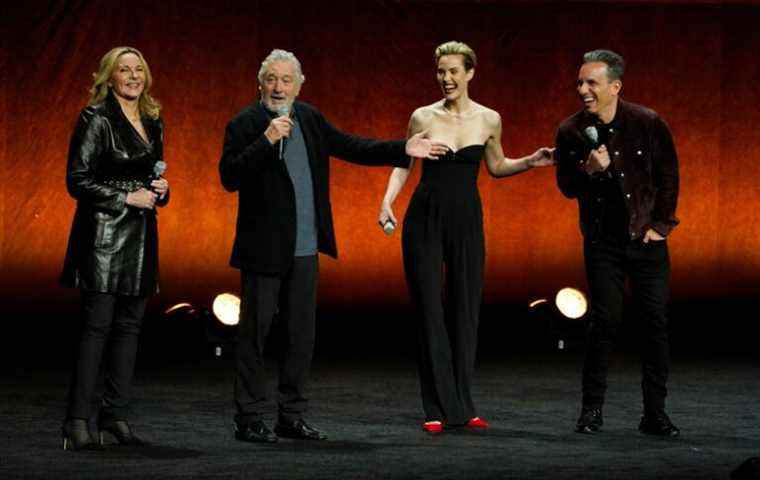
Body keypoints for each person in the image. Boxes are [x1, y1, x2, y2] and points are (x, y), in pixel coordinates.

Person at [219, 49, 447, 444]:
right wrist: (266, 139)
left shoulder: (309, 117)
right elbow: (230, 176)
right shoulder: (245, 123)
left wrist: (402, 148)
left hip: (306, 249)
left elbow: (351, 146)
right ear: (260, 83)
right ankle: (249, 419)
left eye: (286, 80)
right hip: (263, 250)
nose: (278, 87)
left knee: (300, 337)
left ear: (299, 83)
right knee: (254, 336)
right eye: (271, 79)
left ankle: (291, 417)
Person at [378, 41, 554, 434]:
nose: (446, 78)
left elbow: (496, 166)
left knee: (465, 310)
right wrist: (387, 202)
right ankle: (435, 407)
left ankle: (463, 404)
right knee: (429, 310)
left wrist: (531, 162)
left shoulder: (489, 119)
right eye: (441, 71)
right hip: (424, 217)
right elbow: (404, 163)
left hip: (466, 219)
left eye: (454, 71)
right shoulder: (422, 116)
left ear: (470, 73)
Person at [555, 49, 680, 436]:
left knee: (654, 324)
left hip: (646, 242)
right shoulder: (570, 131)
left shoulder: (647, 123)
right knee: (604, 321)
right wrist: (587, 171)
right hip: (603, 244)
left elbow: (668, 175)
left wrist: (661, 225)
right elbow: (566, 187)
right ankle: (591, 411)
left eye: (591, 82)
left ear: (615, 86)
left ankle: (654, 414)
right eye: (580, 82)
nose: (583, 89)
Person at [60, 46, 169, 450]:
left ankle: (115, 417)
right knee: (96, 330)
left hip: (141, 236)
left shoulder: (154, 119)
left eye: (138, 68)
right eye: (124, 69)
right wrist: (125, 198)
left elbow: (151, 174)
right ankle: (76, 422)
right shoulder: (96, 118)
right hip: (103, 238)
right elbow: (78, 180)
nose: (133, 76)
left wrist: (162, 190)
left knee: (129, 330)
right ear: (109, 77)